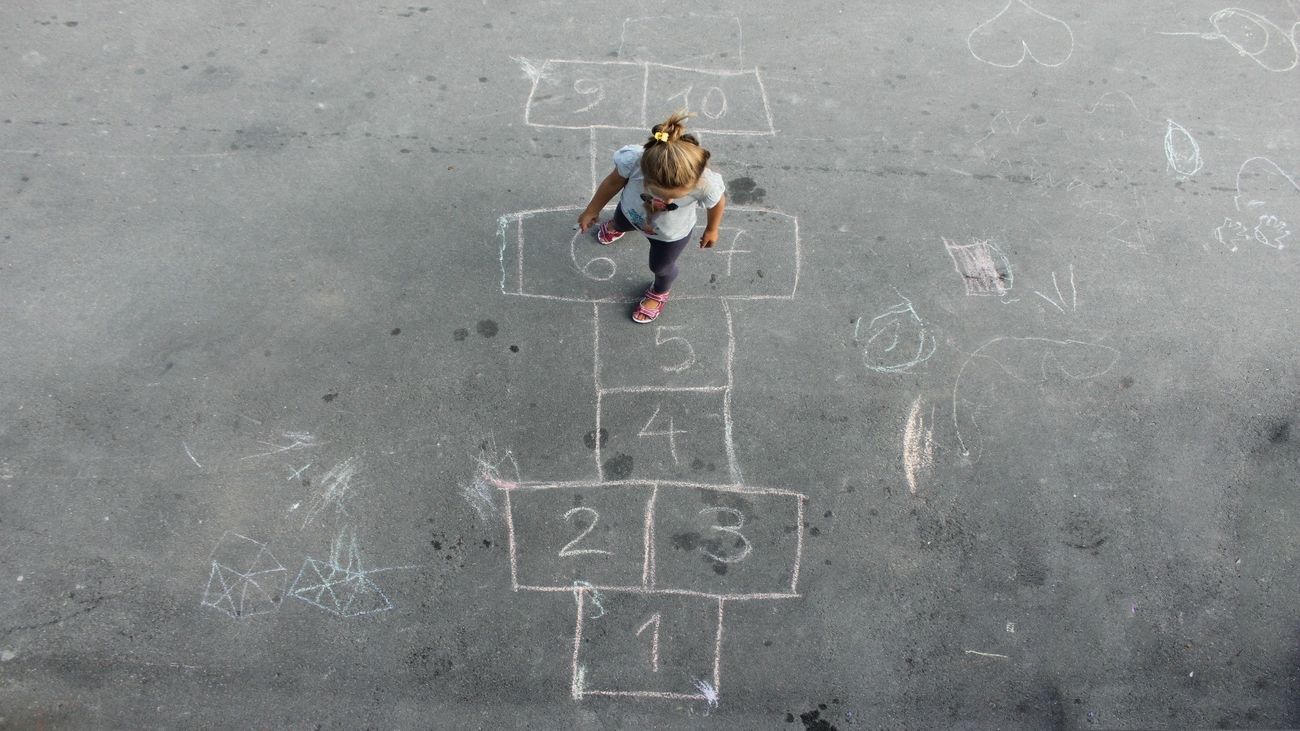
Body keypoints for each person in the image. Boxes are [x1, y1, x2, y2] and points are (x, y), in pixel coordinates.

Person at [577, 110, 727, 323]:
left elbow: (718, 202)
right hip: (631, 212)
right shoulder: (635, 161)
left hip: (670, 234)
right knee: (620, 221)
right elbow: (612, 183)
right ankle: (617, 227)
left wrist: (712, 228)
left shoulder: (705, 184)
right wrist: (592, 209)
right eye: (661, 194)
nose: (665, 203)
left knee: (660, 266)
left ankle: (660, 291)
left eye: (673, 198)